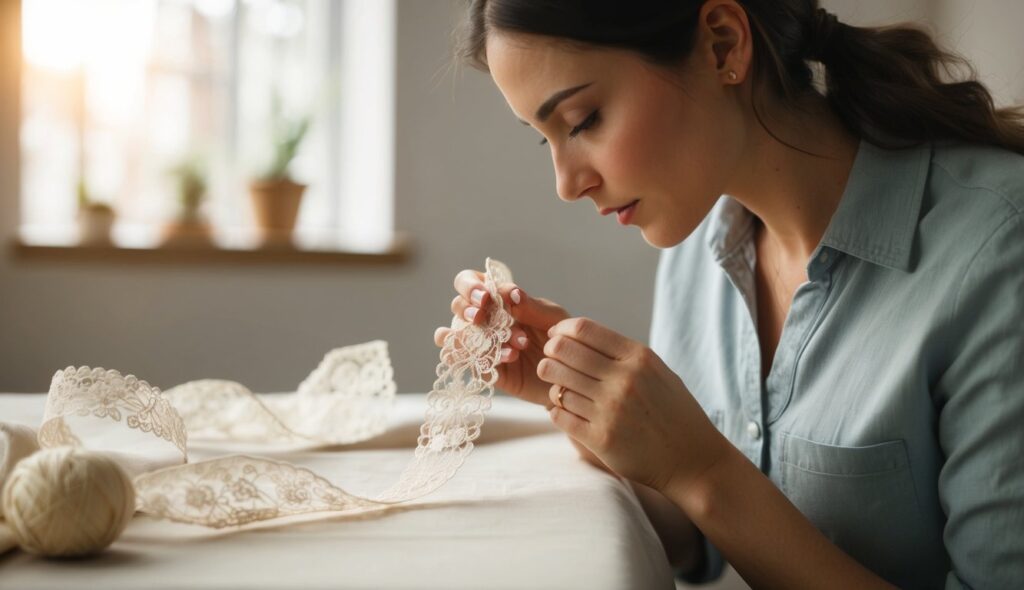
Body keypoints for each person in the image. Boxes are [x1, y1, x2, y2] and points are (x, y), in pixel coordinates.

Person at [434, 1, 1024, 587]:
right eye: (545, 140)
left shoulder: (1000, 251)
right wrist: (576, 393)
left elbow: (709, 486)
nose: (566, 184)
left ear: (722, 44)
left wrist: (702, 469)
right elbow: (703, 541)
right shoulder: (698, 242)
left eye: (583, 119)